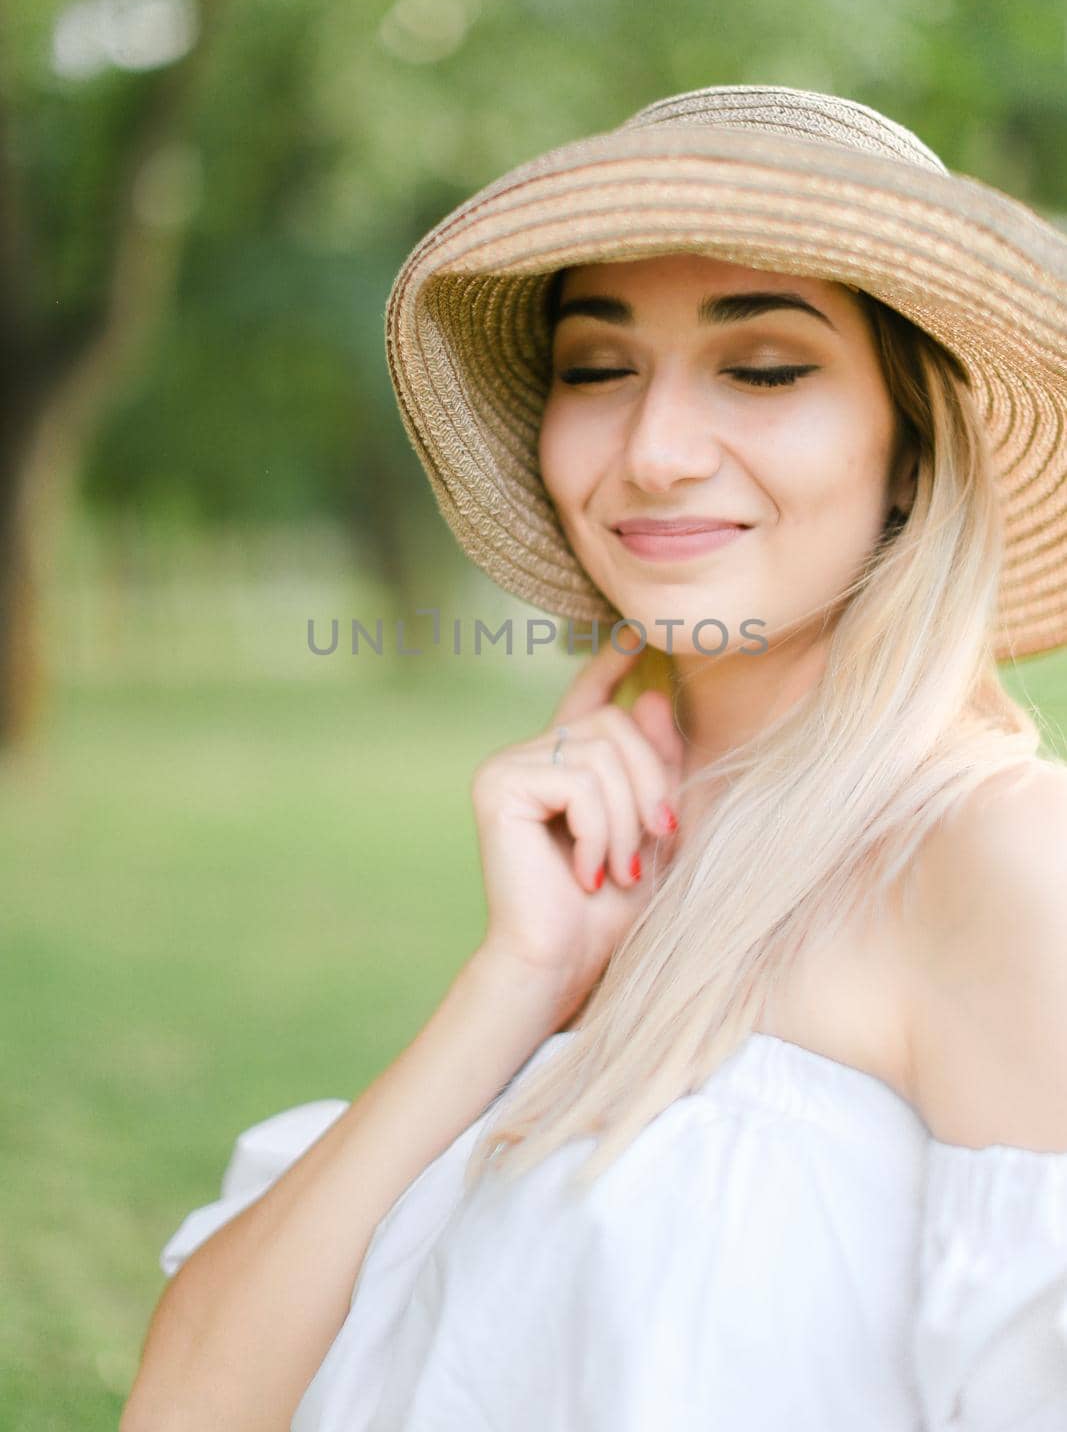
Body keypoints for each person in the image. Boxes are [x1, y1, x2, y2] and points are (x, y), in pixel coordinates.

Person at [122, 85, 1067, 1432]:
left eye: (765, 367)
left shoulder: (999, 862)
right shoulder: (618, 869)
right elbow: (183, 1410)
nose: (655, 453)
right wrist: (520, 980)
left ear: (910, 445)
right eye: (598, 367)